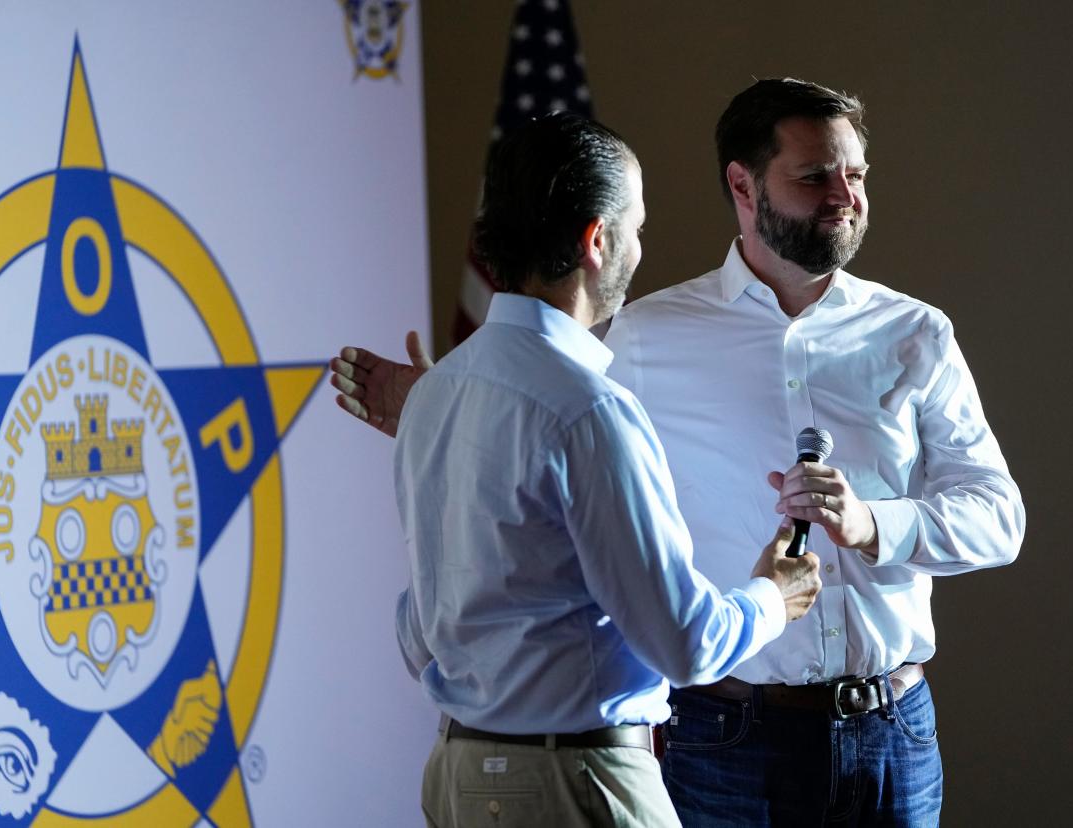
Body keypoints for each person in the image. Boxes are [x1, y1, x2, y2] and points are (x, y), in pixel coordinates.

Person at [332, 79, 1026, 825]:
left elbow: (1000, 520)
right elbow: (545, 444)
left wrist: (875, 526)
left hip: (892, 729)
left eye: (855, 174)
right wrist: (460, 412)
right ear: (743, 185)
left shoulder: (917, 334)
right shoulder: (638, 343)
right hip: (724, 739)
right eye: (814, 175)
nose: (843, 196)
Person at [338, 111, 822, 828]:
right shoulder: (590, 409)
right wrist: (771, 598)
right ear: (597, 239)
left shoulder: (435, 397)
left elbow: (420, 636)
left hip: (455, 779)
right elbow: (685, 643)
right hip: (576, 785)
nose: (640, 245)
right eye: (636, 226)